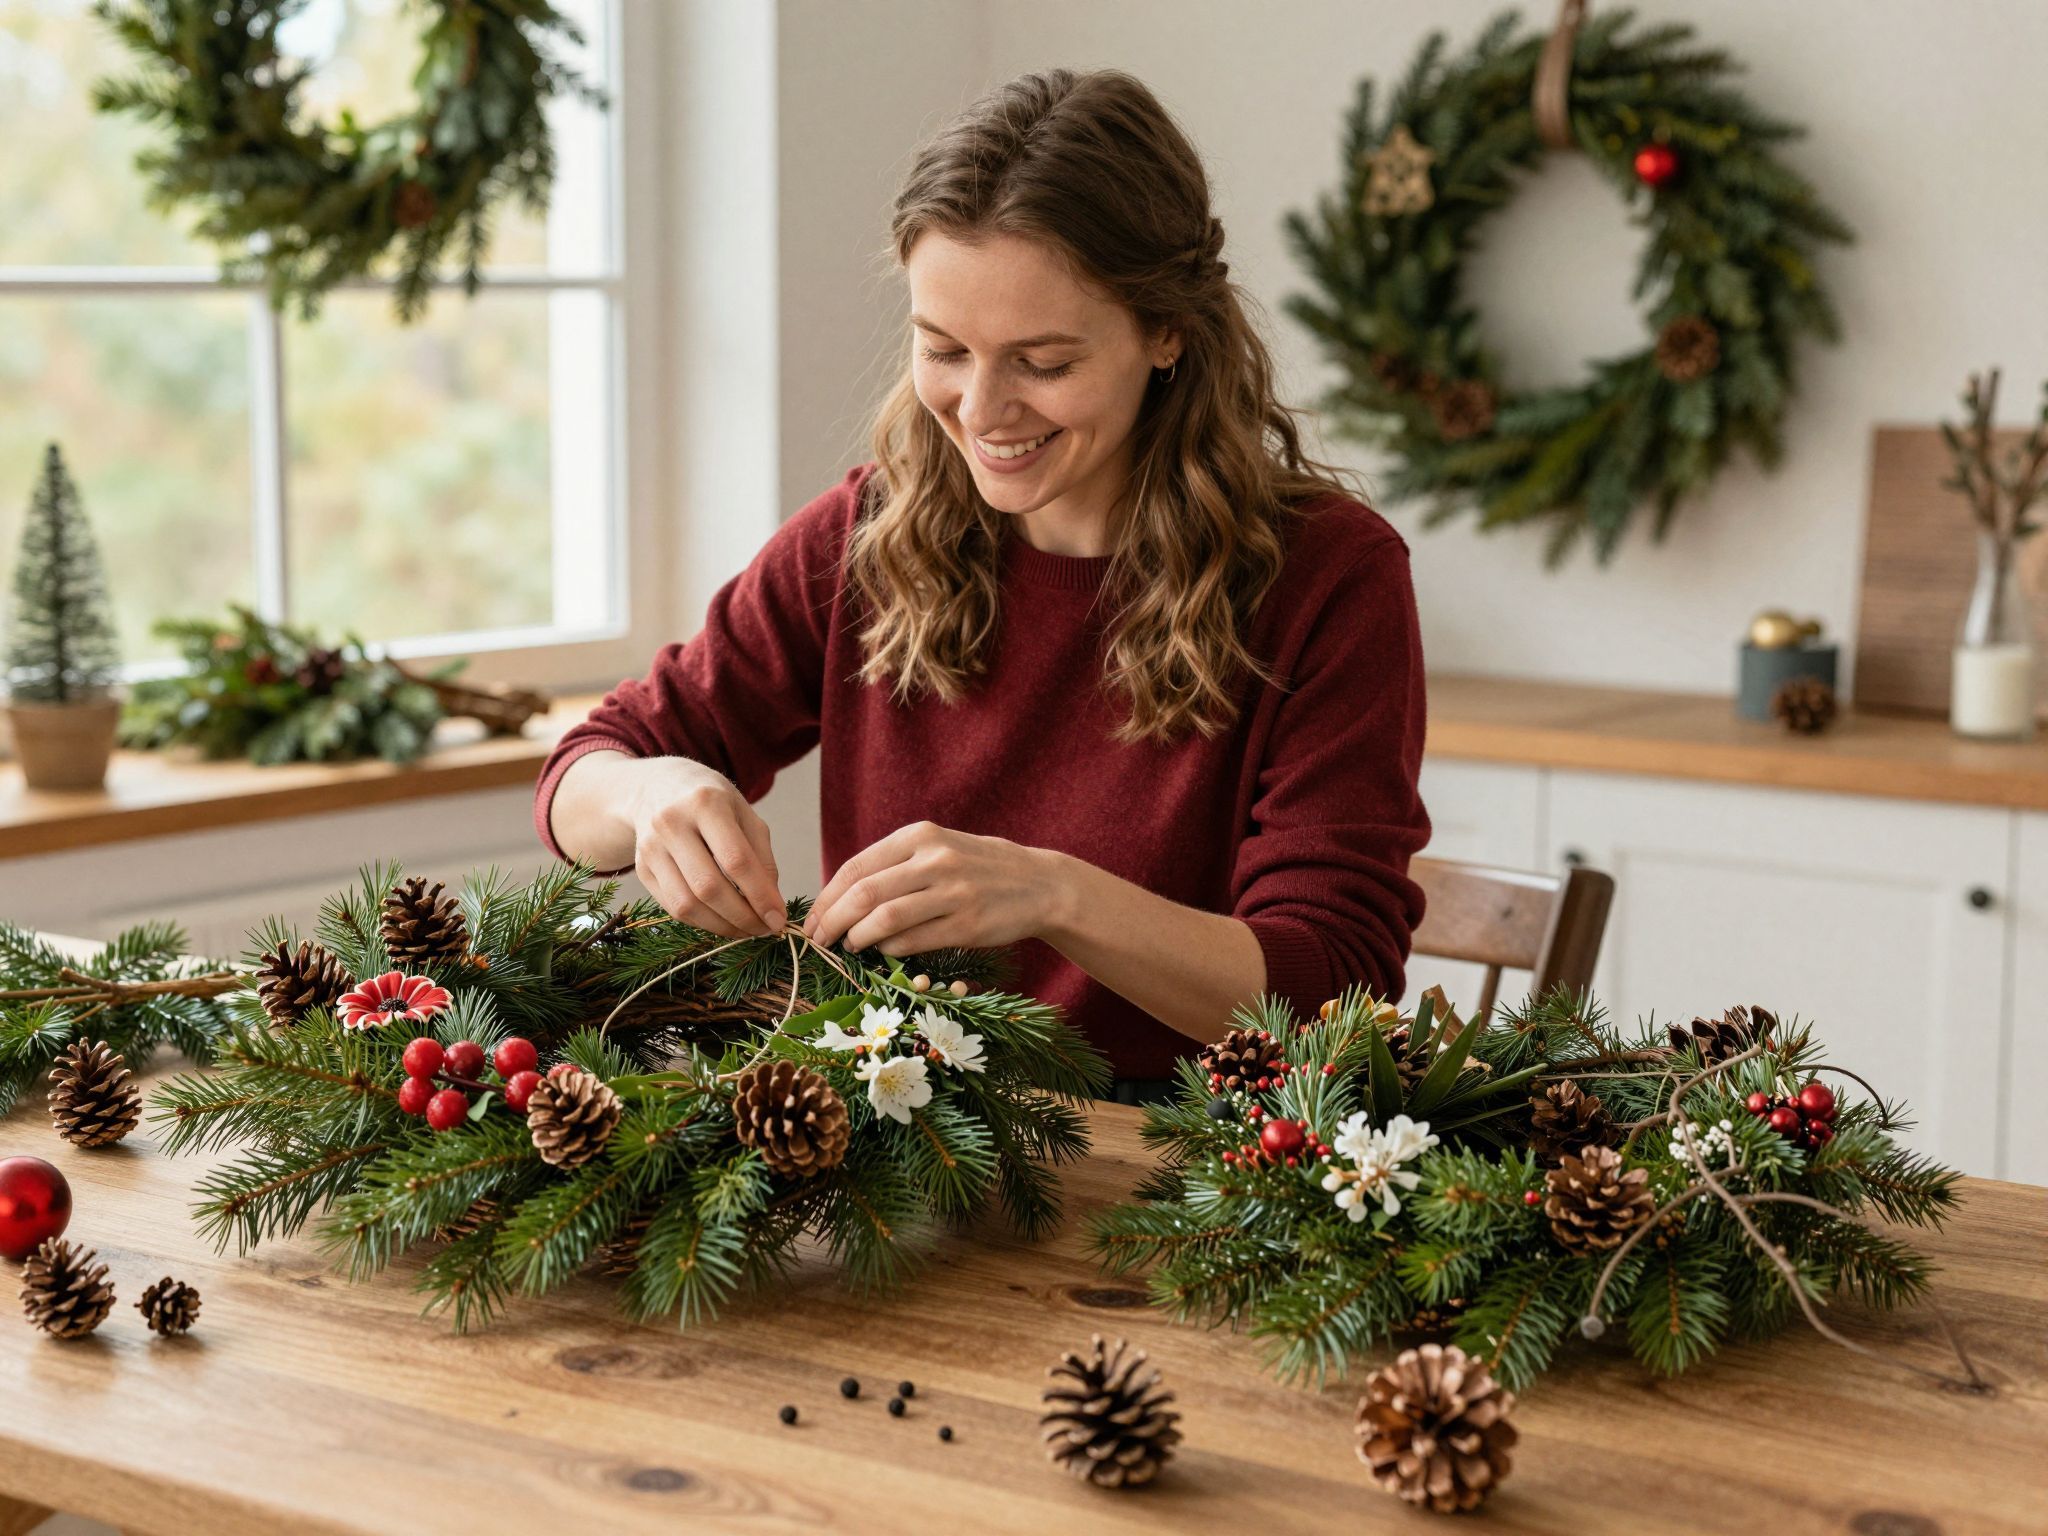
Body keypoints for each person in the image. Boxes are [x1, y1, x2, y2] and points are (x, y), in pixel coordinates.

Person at [535, 67, 1430, 1104]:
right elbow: (584, 773)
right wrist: (654, 795)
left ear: (1166, 332)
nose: (982, 408)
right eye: (943, 349)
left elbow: (1328, 986)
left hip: (1186, 1174)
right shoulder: (867, 535)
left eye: (1042, 362)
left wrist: (1051, 895)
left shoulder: (1327, 576)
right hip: (891, 1144)